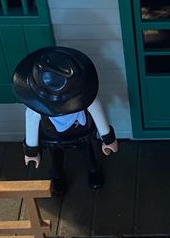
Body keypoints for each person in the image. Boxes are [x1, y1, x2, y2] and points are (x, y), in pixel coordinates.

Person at [12, 46, 118, 197]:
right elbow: (31, 125)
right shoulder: (36, 109)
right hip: (53, 137)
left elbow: (97, 113)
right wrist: (31, 151)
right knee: (55, 158)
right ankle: (57, 175)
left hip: (81, 132)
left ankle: (93, 169)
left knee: (87, 153)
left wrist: (107, 138)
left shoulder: (85, 97)